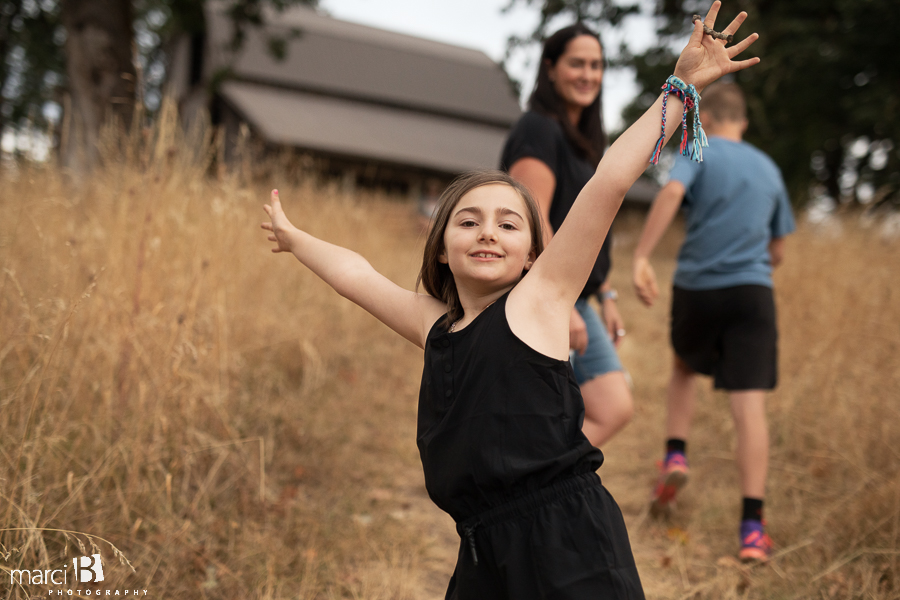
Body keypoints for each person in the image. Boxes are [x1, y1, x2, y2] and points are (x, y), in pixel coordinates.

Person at [262, 5, 758, 595]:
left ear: (532, 254)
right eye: (467, 222)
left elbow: (609, 180)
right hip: (480, 548)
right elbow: (357, 276)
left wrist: (678, 90)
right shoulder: (436, 325)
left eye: (507, 224)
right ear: (441, 248)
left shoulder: (540, 301)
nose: (488, 232)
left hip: (568, 543)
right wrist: (296, 240)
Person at [632, 81, 795, 562]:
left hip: (698, 287)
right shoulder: (768, 167)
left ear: (706, 119)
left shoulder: (697, 147)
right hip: (753, 292)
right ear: (742, 120)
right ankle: (751, 531)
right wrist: (750, 262)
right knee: (750, 408)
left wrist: (642, 254)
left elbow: (670, 194)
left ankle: (676, 453)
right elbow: (779, 249)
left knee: (684, 366)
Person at [500, 23, 632, 448]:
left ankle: (539, 485)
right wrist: (564, 301)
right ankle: (528, 490)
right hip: (544, 292)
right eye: (577, 63)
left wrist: (605, 294)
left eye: (596, 65)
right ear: (550, 68)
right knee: (572, 411)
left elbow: (591, 230)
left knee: (610, 409)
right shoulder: (538, 129)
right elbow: (532, 215)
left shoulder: (586, 142)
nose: (588, 74)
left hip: (575, 294)